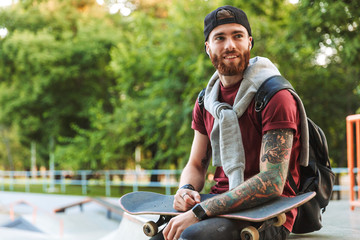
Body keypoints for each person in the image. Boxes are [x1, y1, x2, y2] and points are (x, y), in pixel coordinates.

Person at [154, 5, 305, 240]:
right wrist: (186, 190)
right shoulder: (207, 100)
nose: (230, 45)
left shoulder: (275, 95)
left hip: (268, 213)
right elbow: (196, 164)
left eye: (237, 36)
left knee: (190, 237)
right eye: (220, 38)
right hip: (216, 204)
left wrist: (200, 212)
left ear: (249, 42)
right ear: (208, 47)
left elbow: (272, 181)